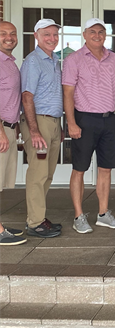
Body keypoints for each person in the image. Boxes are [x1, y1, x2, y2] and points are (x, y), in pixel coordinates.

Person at [62, 18, 115, 234]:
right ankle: (78, 216)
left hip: (108, 119)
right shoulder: (73, 59)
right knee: (79, 168)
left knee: (106, 168)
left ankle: (103, 214)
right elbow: (68, 93)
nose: (97, 35)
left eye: (101, 32)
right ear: (85, 35)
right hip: (84, 119)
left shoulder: (113, 58)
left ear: (105, 35)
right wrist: (71, 122)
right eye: (93, 32)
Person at [20, 19, 64, 238]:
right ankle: (35, 223)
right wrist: (34, 130)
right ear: (36, 36)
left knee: (47, 174)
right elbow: (27, 96)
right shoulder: (33, 61)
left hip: (53, 122)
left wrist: (59, 126)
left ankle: (38, 216)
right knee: (38, 174)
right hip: (39, 122)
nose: (52, 38)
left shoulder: (54, 60)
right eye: (47, 34)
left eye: (55, 34)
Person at [0, 21, 26, 245]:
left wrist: (14, 126)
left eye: (12, 33)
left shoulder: (9, 62)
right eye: (3, 34)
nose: (9, 37)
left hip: (8, 127)